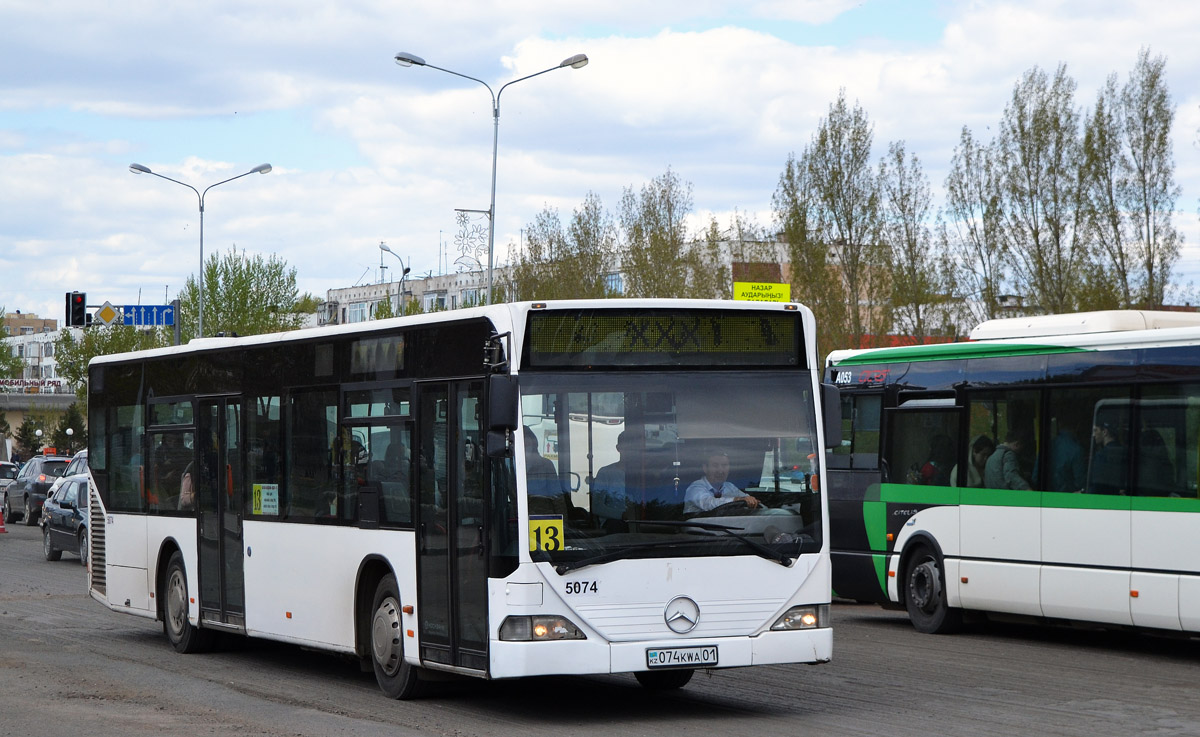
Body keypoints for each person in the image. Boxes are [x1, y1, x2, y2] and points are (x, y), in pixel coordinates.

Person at [684, 450, 760, 515]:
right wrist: (735, 500)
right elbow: (708, 504)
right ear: (705, 468)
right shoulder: (695, 488)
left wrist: (751, 501)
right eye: (715, 465)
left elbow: (746, 499)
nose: (720, 471)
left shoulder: (730, 487)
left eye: (724, 465)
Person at [590, 430, 635, 530]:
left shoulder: (643, 475)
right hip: (613, 526)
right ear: (618, 448)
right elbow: (597, 507)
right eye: (626, 447)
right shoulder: (606, 473)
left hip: (639, 524)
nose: (630, 451)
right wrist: (622, 515)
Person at [1089, 420, 1127, 495]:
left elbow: (1097, 486)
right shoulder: (1123, 451)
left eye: (1096, 430)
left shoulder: (1101, 455)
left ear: (1104, 432)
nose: (1094, 434)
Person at [523, 426, 563, 497]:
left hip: (542, 507)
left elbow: (557, 496)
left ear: (533, 443)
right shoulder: (510, 466)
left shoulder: (546, 465)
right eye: (522, 444)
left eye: (527, 443)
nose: (525, 447)